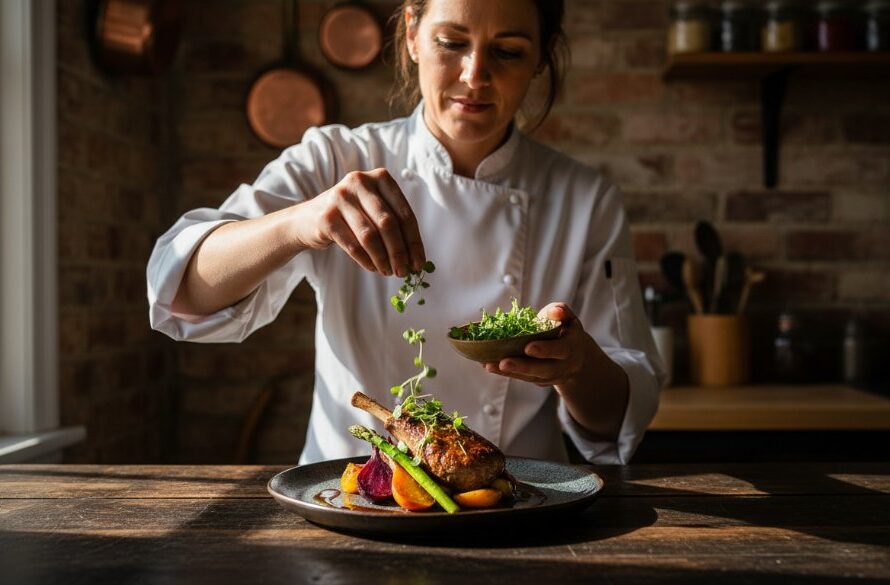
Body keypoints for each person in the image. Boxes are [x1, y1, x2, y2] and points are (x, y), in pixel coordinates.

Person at [147, 0, 665, 466]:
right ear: (413, 34)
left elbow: (616, 421)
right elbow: (181, 289)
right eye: (451, 43)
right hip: (348, 499)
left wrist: (574, 367)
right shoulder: (335, 159)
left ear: (540, 61)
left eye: (507, 51)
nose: (475, 73)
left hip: (517, 504)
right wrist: (300, 222)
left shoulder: (584, 199)